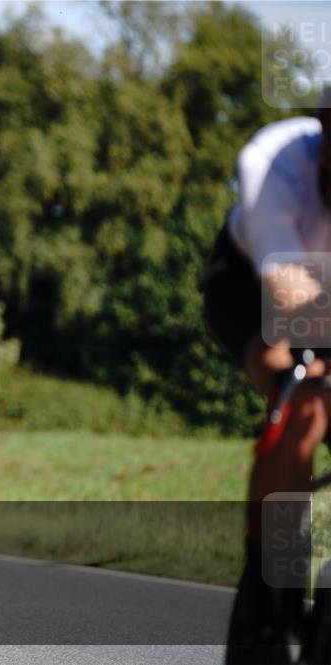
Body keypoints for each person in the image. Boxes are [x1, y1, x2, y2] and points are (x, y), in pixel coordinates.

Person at [203, 89, 331, 663]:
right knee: (303, 396)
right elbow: (289, 293)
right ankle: (267, 585)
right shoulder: (275, 160)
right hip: (253, 289)